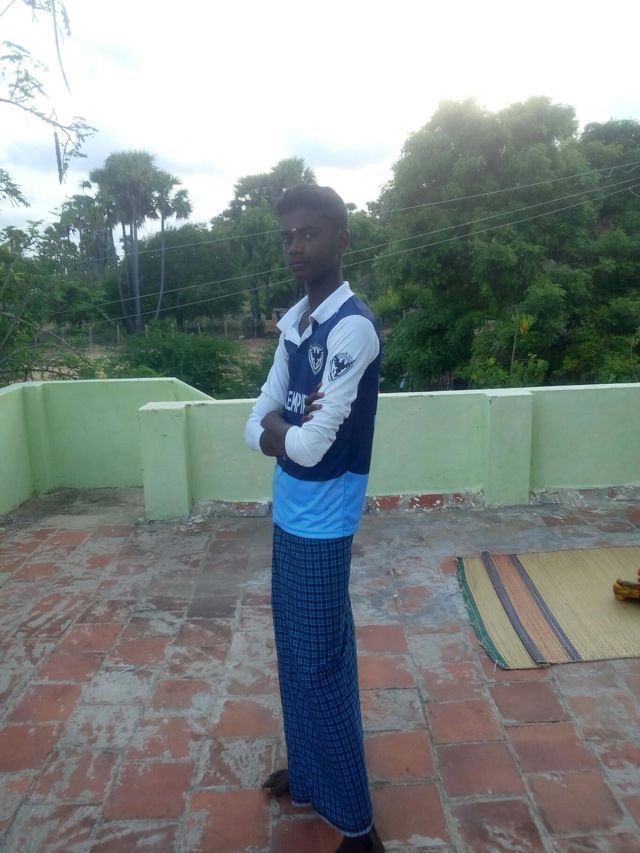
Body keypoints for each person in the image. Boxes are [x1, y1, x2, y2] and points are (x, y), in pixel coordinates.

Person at [245, 184, 384, 852]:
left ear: (340, 240)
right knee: (297, 654)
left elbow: (308, 445)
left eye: (309, 233)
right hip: (290, 510)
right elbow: (256, 421)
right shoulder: (296, 324)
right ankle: (307, 778)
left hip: (324, 519)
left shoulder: (352, 327)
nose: (295, 246)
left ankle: (357, 826)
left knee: (321, 666)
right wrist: (278, 431)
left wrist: (276, 431)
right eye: (288, 236)